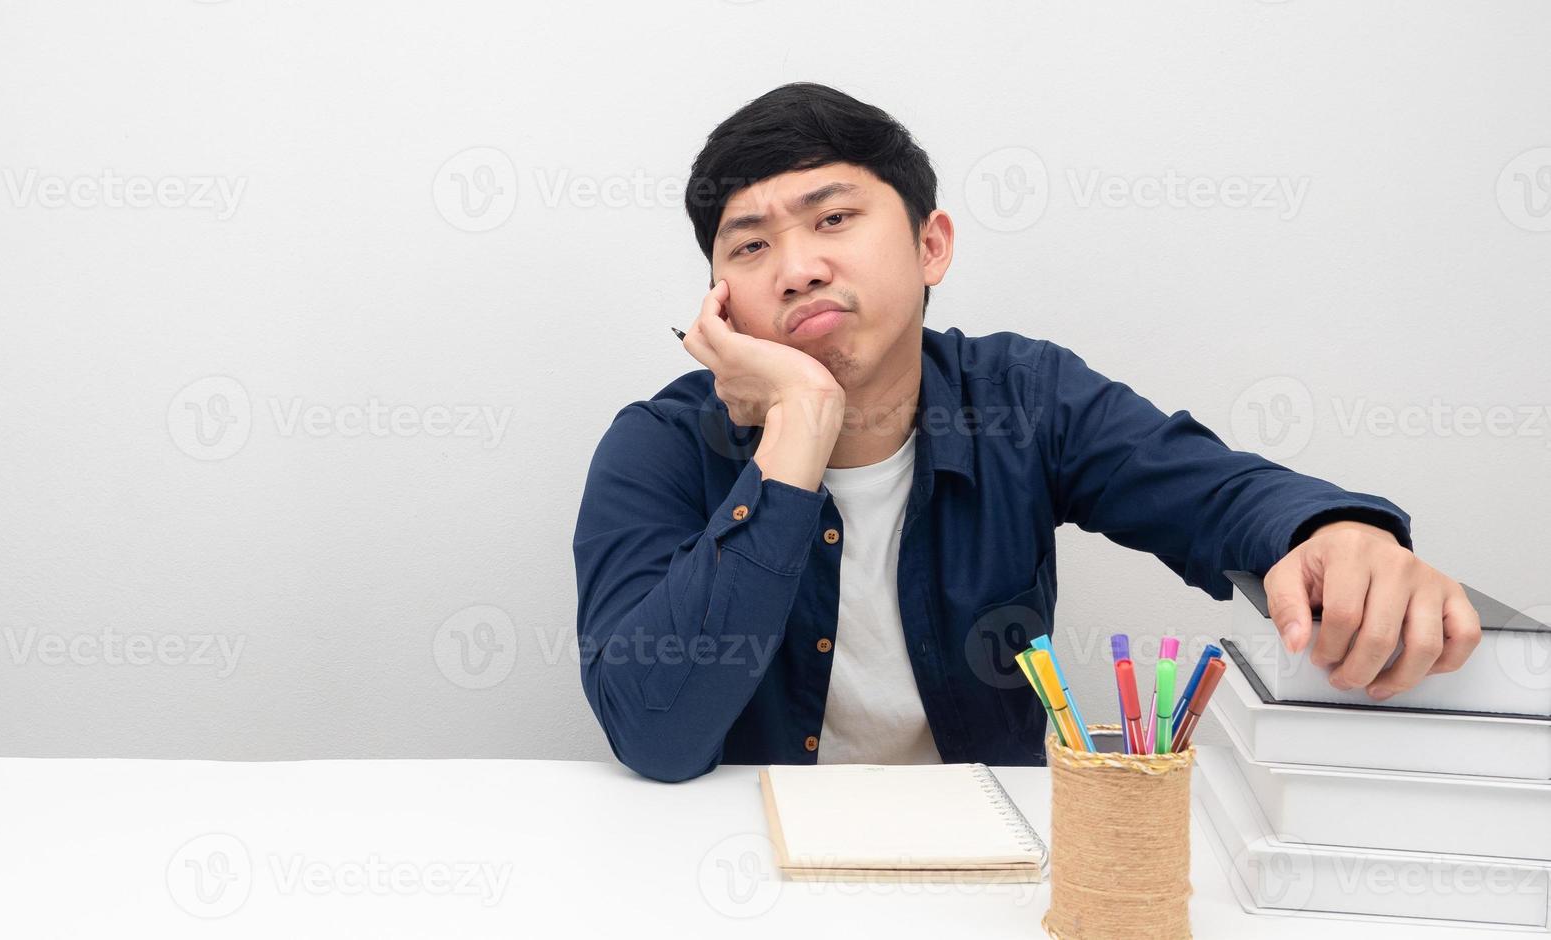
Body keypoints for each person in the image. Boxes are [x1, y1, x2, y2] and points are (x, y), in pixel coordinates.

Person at [571, 82, 1481, 783]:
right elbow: (654, 731)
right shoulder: (656, 447)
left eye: (835, 218)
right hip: (743, 872)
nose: (800, 268)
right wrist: (800, 423)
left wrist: (1334, 532)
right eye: (751, 245)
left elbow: (1213, 492)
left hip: (996, 871)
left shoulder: (1020, 398)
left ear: (931, 246)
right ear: (719, 300)